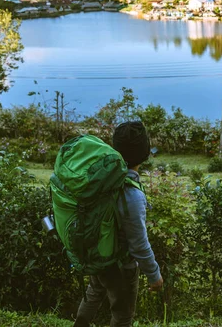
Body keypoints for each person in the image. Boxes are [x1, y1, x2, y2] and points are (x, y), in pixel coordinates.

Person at [74, 121, 163, 327]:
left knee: (94, 292)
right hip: (122, 266)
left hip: (99, 254)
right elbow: (139, 244)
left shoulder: (101, 179)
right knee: (122, 316)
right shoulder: (131, 194)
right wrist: (154, 275)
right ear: (144, 154)